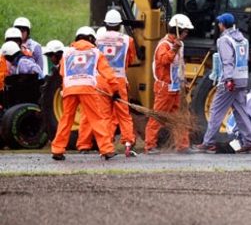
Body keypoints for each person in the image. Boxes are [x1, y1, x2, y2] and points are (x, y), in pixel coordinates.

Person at [50, 26, 121, 161]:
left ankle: (57, 149)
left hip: (70, 88)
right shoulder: (95, 52)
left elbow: (62, 73)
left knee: (66, 120)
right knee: (97, 119)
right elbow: (107, 73)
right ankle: (106, 149)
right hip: (87, 89)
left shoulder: (67, 53)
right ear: (90, 38)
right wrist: (115, 90)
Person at [194, 13, 251, 154]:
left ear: (222, 24)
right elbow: (245, 59)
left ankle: (208, 143)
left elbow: (227, 61)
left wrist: (228, 79)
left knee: (216, 110)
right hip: (242, 79)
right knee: (241, 112)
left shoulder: (224, 40)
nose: (218, 25)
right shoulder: (243, 40)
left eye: (219, 23)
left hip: (230, 81)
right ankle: (250, 143)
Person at [77, 10, 138, 156]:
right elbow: (130, 59)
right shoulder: (127, 40)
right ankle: (128, 142)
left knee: (102, 115)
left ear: (105, 24)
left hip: (101, 80)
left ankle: (99, 145)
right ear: (119, 25)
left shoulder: (97, 39)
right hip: (119, 79)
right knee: (123, 113)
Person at [144, 14, 194, 154]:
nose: (186, 34)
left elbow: (180, 66)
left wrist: (184, 81)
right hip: (164, 89)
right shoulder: (164, 45)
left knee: (179, 117)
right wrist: (174, 49)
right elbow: (164, 61)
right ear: (177, 30)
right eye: (185, 31)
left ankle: (182, 145)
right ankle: (150, 145)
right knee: (157, 117)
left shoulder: (179, 45)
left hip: (176, 88)